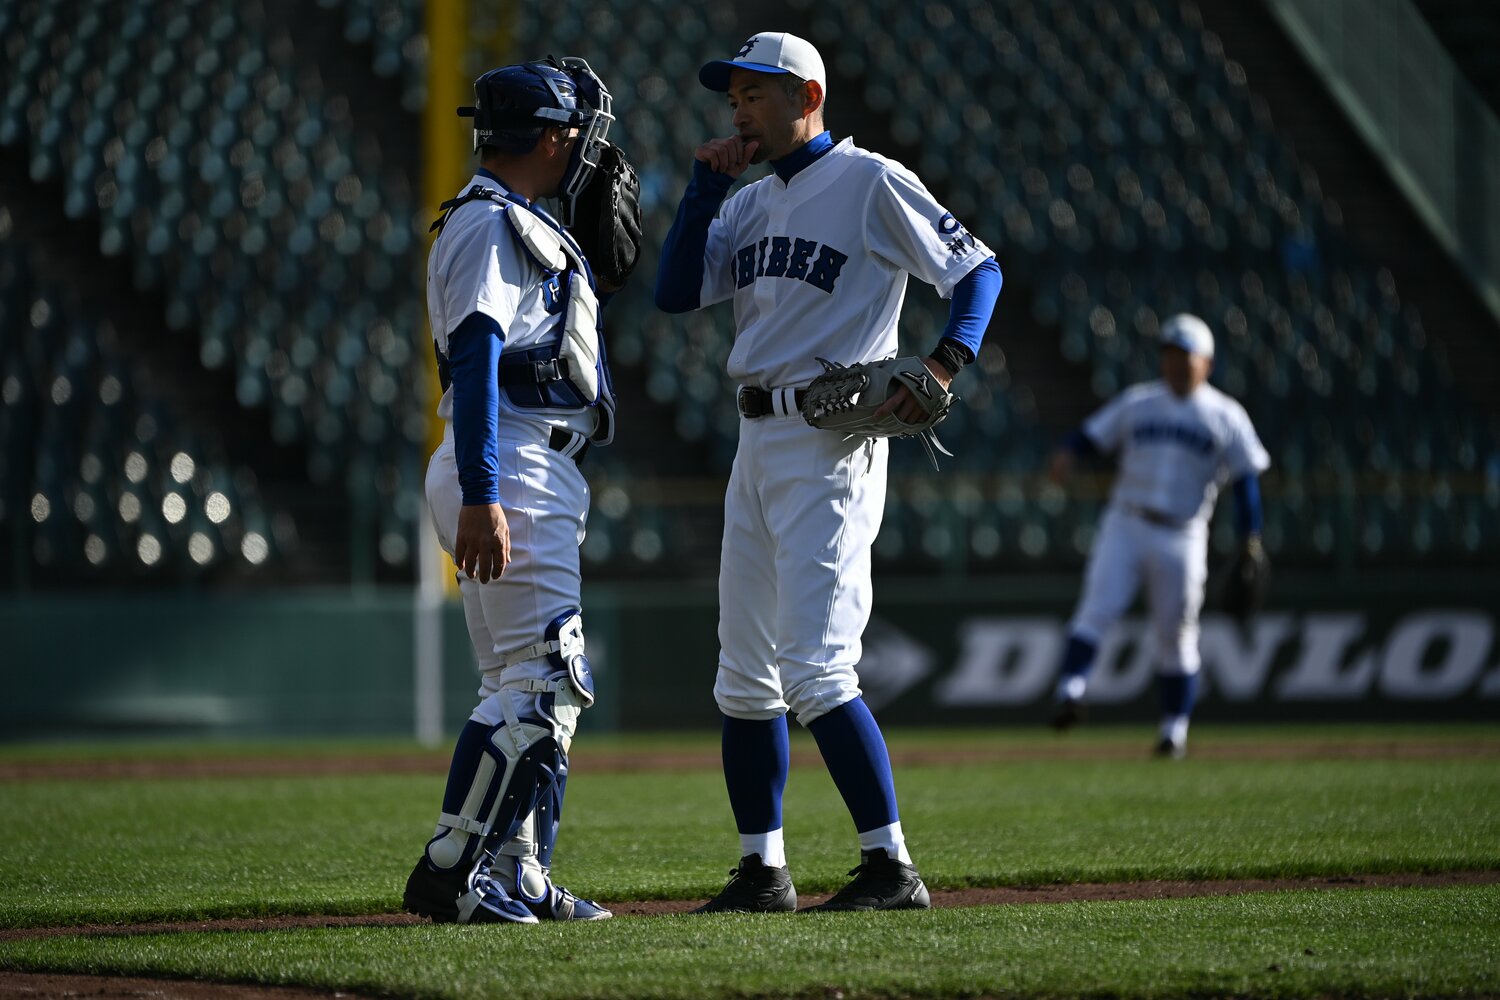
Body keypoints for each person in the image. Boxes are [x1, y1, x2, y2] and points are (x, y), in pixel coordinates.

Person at [655, 31, 1002, 912]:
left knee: (816, 669)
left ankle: (891, 867)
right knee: (743, 676)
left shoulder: (871, 180)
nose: (737, 107)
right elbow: (674, 292)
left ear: (806, 93)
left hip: (833, 441)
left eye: (754, 93)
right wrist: (704, 188)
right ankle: (762, 870)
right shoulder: (747, 199)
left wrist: (945, 361)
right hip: (756, 441)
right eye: (731, 95)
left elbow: (978, 269)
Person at [400, 56, 625, 924]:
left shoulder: (504, 218)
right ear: (553, 135)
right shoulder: (491, 224)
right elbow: (477, 358)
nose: (583, 148)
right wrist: (484, 492)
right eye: (574, 133)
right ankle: (456, 871)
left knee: (517, 685)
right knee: (542, 686)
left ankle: (518, 873)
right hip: (513, 459)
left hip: (519, 459)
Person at [1046, 313, 1269, 758]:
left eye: (1184, 355)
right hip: (1126, 521)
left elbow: (1247, 479)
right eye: (1169, 354)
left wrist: (1251, 536)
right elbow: (1088, 437)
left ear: (1207, 362)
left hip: (1184, 533)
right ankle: (1071, 691)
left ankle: (1173, 732)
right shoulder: (1139, 402)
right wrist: (1068, 454)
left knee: (1177, 634)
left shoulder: (1226, 414)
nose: (1176, 363)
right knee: (1095, 610)